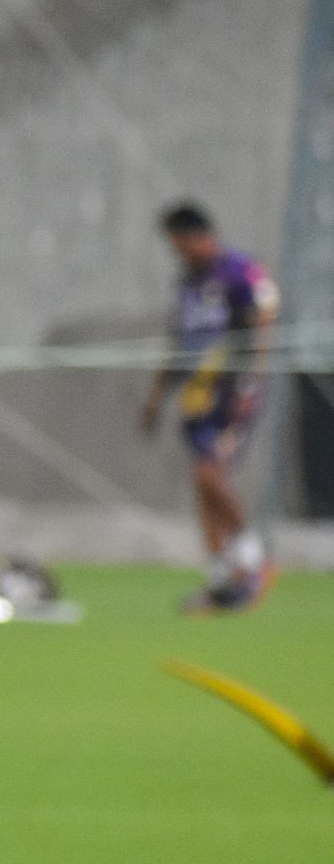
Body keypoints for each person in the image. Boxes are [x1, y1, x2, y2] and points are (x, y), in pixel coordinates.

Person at [140, 201, 279, 613]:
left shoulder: (239, 271)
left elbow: (264, 323)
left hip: (232, 395)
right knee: (203, 484)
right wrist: (156, 396)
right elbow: (177, 343)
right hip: (196, 399)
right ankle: (221, 580)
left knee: (209, 472)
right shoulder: (188, 284)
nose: (177, 252)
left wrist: (250, 384)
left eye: (178, 243)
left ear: (196, 236)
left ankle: (254, 562)